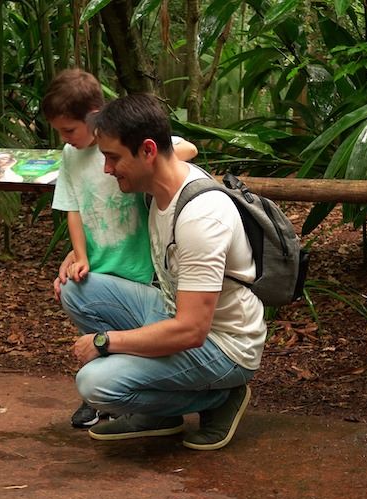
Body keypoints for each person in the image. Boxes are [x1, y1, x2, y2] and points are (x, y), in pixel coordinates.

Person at [58, 93, 266, 451]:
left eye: (112, 158)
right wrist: (76, 254)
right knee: (77, 289)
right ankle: (160, 412)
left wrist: (106, 342)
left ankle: (220, 397)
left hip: (223, 345)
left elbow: (191, 330)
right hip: (174, 311)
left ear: (148, 151)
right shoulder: (156, 189)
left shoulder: (201, 216)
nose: (107, 169)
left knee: (96, 384)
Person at [41, 69, 198, 428]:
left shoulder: (124, 142)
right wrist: (79, 256)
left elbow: (182, 149)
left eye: (69, 130)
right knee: (75, 295)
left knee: (145, 336)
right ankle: (101, 392)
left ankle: (133, 396)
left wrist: (166, 156)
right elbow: (74, 209)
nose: (66, 139)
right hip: (102, 265)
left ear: (94, 116)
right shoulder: (71, 155)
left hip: (142, 269)